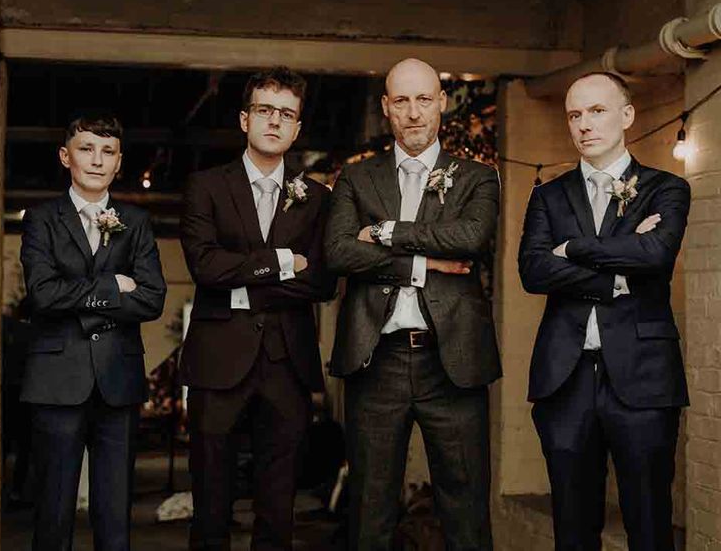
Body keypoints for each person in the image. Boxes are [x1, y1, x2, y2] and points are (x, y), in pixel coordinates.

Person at [325, 58, 501, 551]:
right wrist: (421, 266)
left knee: (465, 510)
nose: (414, 112)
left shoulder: (475, 178)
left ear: (442, 102)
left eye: (424, 99)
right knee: (369, 512)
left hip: (454, 363)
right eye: (401, 101)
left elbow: (470, 237)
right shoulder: (358, 179)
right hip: (375, 361)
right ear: (385, 108)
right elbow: (339, 251)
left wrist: (386, 233)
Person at [519, 72, 691, 550]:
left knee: (649, 525)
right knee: (572, 531)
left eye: (597, 111)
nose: (584, 124)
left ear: (627, 115)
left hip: (644, 377)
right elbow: (533, 271)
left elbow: (655, 255)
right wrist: (615, 271)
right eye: (575, 114)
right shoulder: (547, 195)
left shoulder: (666, 189)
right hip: (565, 379)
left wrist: (571, 247)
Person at [179, 66, 335, 551]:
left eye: (286, 114)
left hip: (287, 361)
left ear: (297, 128)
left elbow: (322, 281)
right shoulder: (205, 186)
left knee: (278, 501)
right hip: (217, 358)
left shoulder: (318, 198)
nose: (275, 121)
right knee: (210, 499)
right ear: (245, 120)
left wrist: (244, 280)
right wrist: (283, 263)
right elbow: (205, 267)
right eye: (265, 110)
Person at [20, 112, 166, 551]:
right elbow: (42, 295)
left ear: (119, 163)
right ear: (66, 156)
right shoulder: (42, 219)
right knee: (53, 512)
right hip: (56, 380)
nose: (97, 161)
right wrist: (111, 287)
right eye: (87, 149)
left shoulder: (135, 222)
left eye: (108, 152)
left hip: (117, 381)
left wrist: (81, 299)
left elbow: (152, 299)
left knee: (115, 514)